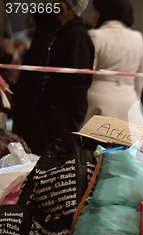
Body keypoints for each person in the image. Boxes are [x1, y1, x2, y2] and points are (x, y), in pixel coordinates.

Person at [33, 0, 94, 154]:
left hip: (65, 113)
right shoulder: (64, 32)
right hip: (56, 111)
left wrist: (55, 102)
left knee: (65, 160)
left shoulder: (77, 34)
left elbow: (77, 77)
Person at [84, 0, 143, 124]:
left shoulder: (95, 35)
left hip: (98, 100)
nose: (93, 14)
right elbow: (139, 79)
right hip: (130, 100)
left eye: (95, 10)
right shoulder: (138, 38)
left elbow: (86, 76)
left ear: (105, 11)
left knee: (95, 143)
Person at [11, 12, 61, 154]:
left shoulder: (41, 43)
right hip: (36, 108)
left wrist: (12, 87)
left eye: (32, 25)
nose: (30, 29)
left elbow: (33, 79)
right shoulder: (51, 40)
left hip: (30, 109)